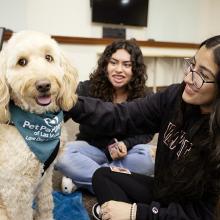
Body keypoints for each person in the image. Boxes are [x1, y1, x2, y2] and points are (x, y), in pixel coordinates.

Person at [65, 35, 220, 220]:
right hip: (162, 191)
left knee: (144, 157)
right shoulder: (174, 95)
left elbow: (204, 215)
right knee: (103, 175)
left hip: (187, 212)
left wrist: (136, 213)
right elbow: (123, 115)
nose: (188, 78)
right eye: (192, 65)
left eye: (203, 75)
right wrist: (68, 102)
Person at [56, 39, 155, 193]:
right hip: (90, 150)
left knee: (151, 157)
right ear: (105, 65)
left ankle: (82, 179)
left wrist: (126, 143)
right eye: (113, 62)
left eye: (127, 65)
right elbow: (60, 114)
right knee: (61, 154)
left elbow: (148, 131)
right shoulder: (87, 88)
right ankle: (120, 184)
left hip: (125, 155)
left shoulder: (145, 95)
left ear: (135, 69)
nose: (119, 70)